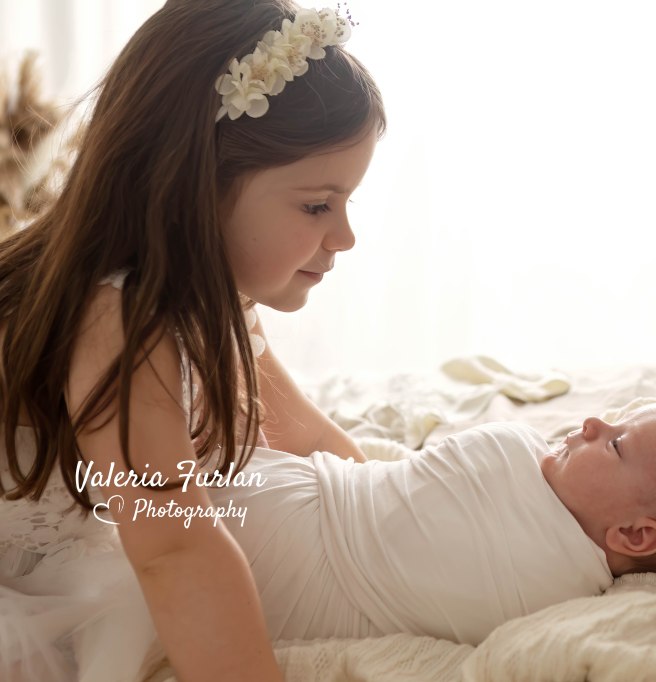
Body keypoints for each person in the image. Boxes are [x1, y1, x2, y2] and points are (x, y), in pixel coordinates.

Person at [0, 1, 384, 680]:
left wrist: (402, 518)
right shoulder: (117, 318)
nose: (345, 238)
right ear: (197, 187)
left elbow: (306, 433)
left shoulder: (215, 293)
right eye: (317, 206)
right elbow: (174, 549)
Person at [198, 402, 656, 647]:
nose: (594, 421)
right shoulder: (564, 593)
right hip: (285, 523)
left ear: (634, 536)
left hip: (271, 548)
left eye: (617, 443)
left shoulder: (548, 584)